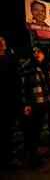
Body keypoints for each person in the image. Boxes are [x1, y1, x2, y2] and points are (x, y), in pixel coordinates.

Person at [19, 48, 50, 167]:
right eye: (39, 53)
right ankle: (32, 158)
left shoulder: (37, 67)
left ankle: (34, 155)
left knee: (36, 130)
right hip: (33, 104)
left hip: (40, 103)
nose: (41, 55)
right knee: (32, 131)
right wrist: (26, 104)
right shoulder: (28, 67)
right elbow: (24, 87)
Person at [0, 37, 18, 168]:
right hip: (4, 99)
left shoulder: (8, 58)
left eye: (3, 42)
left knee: (9, 129)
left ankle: (9, 156)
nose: (3, 45)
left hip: (10, 98)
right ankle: (7, 158)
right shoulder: (5, 60)